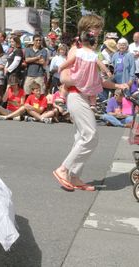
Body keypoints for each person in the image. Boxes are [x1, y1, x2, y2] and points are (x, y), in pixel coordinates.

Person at [54, 14, 129, 192]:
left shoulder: (92, 53)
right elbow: (64, 76)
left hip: (85, 97)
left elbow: (99, 80)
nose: (99, 32)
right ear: (88, 29)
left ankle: (74, 176)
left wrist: (118, 84)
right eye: (97, 28)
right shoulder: (76, 50)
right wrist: (80, 81)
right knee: (90, 135)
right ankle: (63, 169)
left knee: (81, 137)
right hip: (76, 95)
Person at [58, 31, 113, 111]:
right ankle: (93, 105)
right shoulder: (93, 55)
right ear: (92, 43)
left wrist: (61, 67)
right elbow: (101, 64)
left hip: (78, 76)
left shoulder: (78, 52)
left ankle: (62, 97)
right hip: (89, 78)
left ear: (80, 42)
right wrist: (108, 72)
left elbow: (70, 61)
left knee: (66, 84)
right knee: (93, 90)